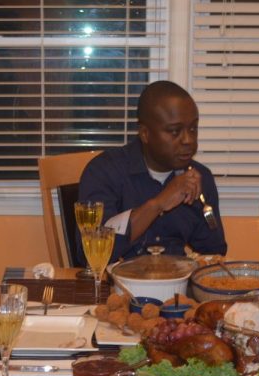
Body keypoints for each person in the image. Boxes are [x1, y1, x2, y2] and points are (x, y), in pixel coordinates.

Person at [79, 80, 227, 262]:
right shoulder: (104, 172)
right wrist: (159, 203)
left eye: (193, 128)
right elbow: (92, 253)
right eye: (175, 131)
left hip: (177, 285)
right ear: (145, 134)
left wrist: (199, 205)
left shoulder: (198, 177)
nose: (188, 140)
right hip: (117, 286)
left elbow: (214, 252)